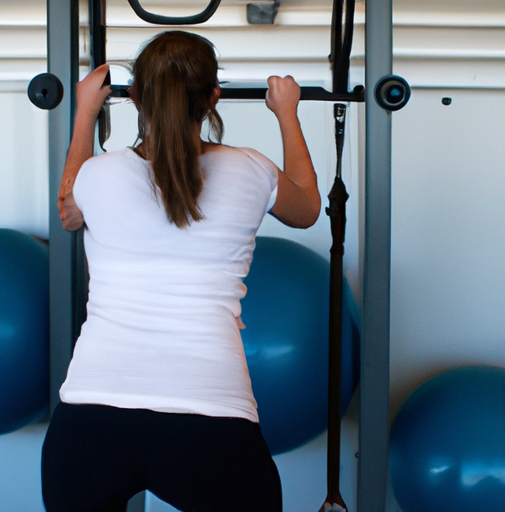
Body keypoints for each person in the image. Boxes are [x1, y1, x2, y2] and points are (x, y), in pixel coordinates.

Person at [42, 30, 320, 512]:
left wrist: (86, 109)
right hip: (209, 421)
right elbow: (307, 208)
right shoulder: (252, 170)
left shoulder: (98, 174)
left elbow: (69, 210)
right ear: (213, 97)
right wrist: (287, 112)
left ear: (134, 98)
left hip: (89, 421)